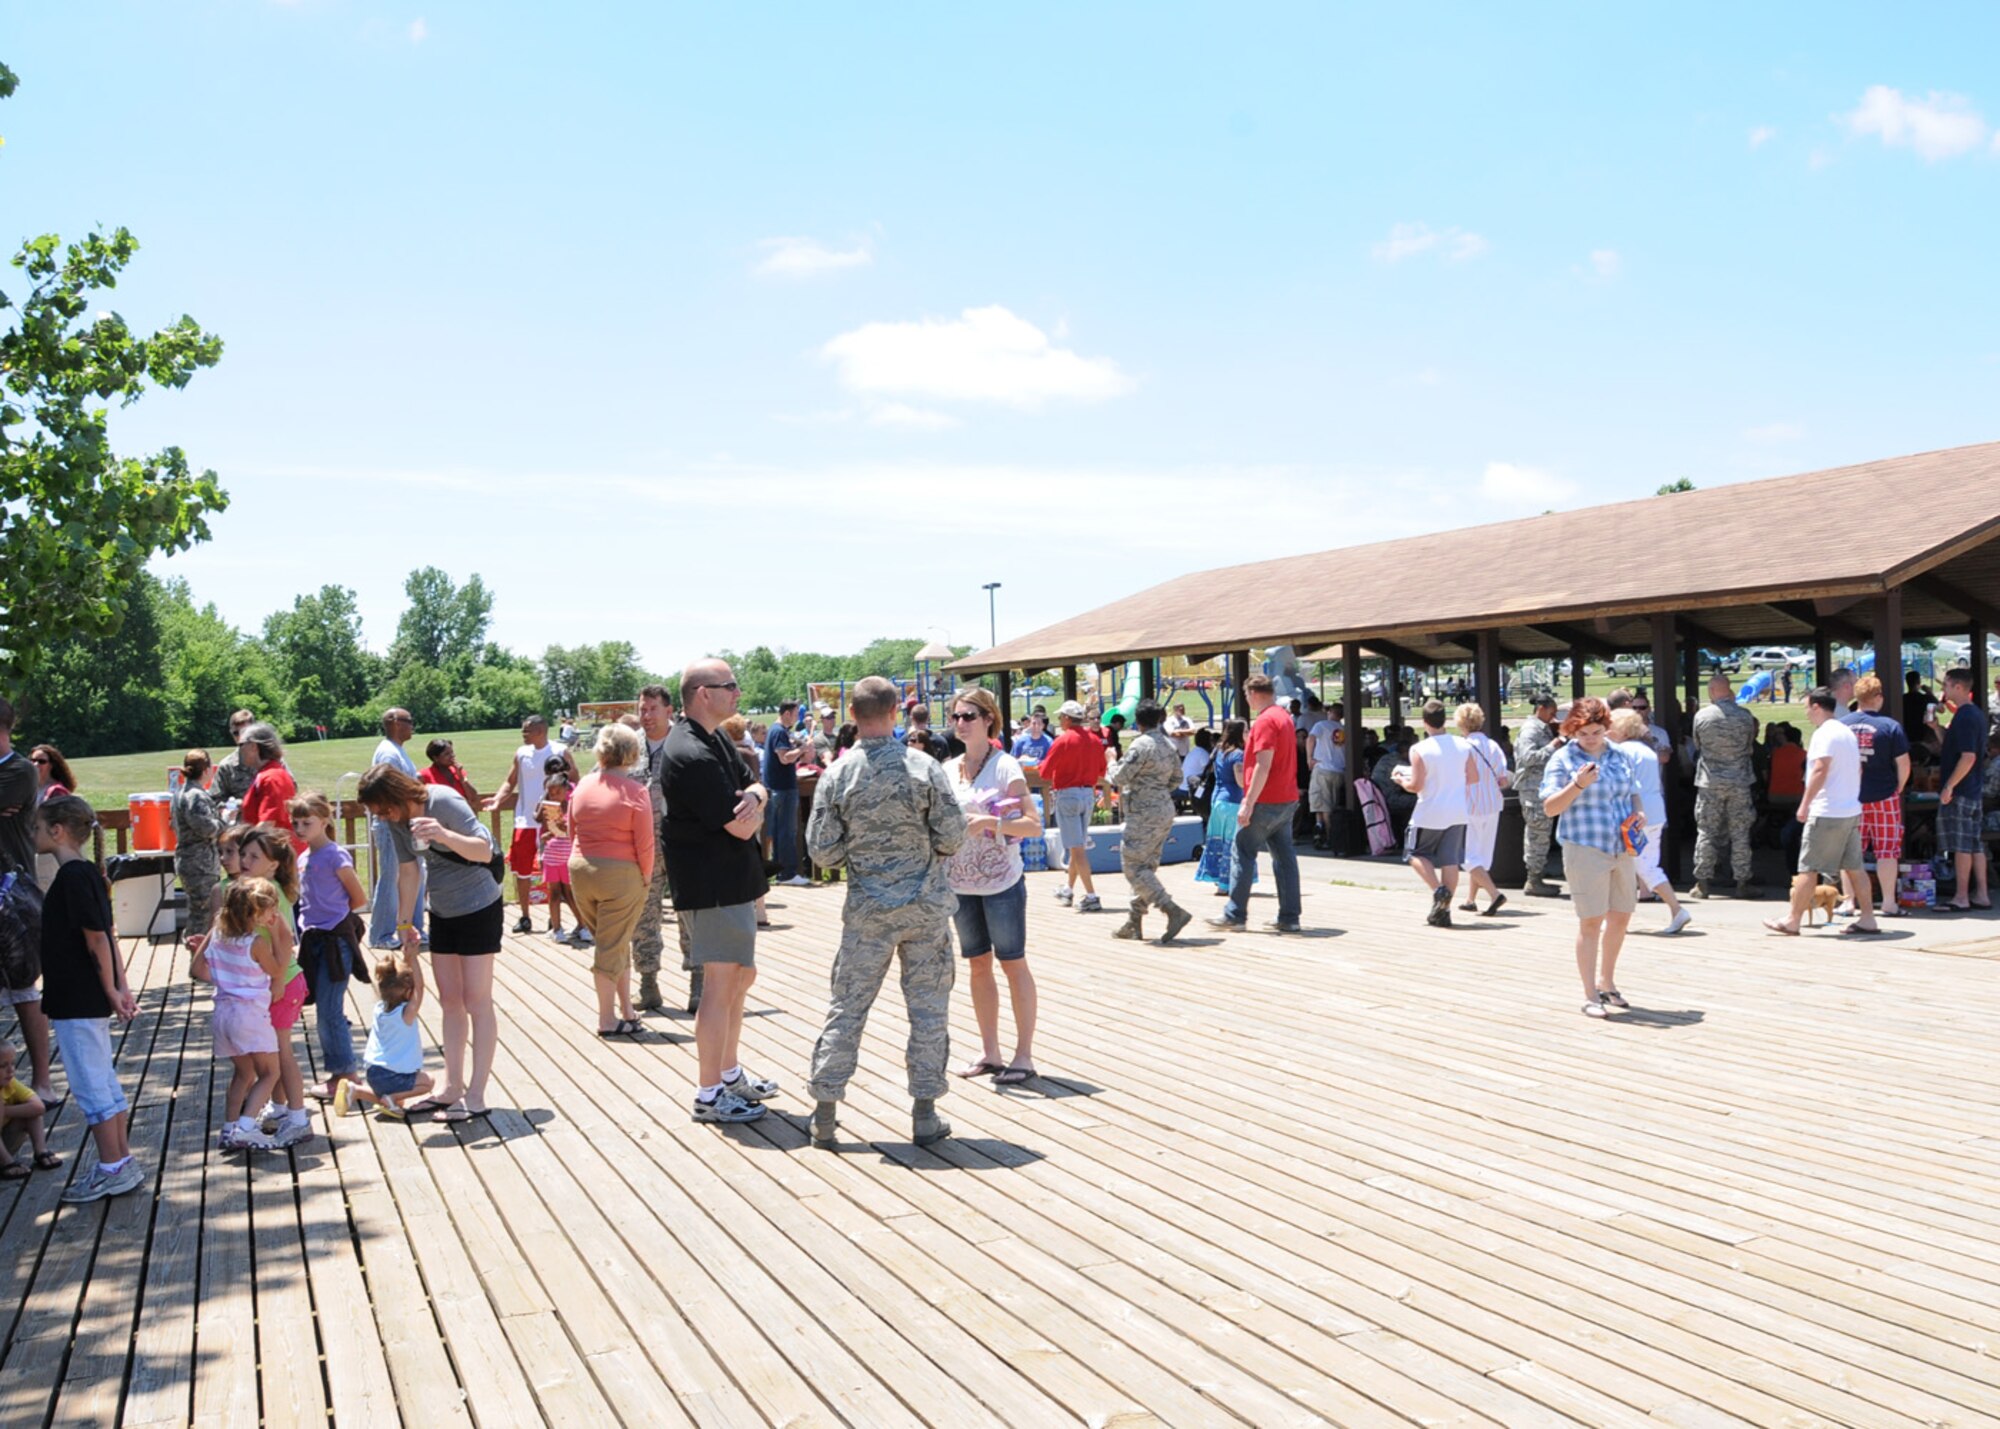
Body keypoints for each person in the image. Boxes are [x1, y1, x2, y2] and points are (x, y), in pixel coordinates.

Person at [806, 675, 968, 1149]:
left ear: (852, 716)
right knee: (929, 1011)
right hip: (925, 911)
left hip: (867, 914)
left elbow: (822, 852)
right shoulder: (924, 768)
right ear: (896, 713)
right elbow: (952, 835)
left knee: (847, 1009)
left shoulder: (838, 774)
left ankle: (825, 1114)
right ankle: (924, 1113)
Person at [661, 660, 777, 1125]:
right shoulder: (690, 751)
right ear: (702, 693)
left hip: (732, 881)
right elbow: (738, 822)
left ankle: (728, 1074)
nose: (737, 691)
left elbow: (755, 789)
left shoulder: (714, 740)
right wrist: (756, 803)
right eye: (728, 686)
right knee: (720, 984)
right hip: (712, 886)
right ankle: (709, 1093)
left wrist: (758, 797)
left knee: (740, 977)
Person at [359, 764, 502, 1122]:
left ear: (396, 794)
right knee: (451, 1000)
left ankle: (477, 1094)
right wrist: (405, 922)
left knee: (476, 1000)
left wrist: (442, 833)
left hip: (479, 905)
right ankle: (451, 1087)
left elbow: (483, 851)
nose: (382, 816)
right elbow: (409, 872)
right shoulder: (395, 822)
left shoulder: (443, 800)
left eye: (383, 808)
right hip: (442, 909)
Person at [35, 796, 144, 1201]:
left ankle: (111, 1166)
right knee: (103, 1080)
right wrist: (121, 985)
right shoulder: (89, 874)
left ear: (58, 831)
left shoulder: (72, 878)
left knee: (89, 1085)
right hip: (87, 997)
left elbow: (96, 937)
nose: (34, 834)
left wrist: (113, 990)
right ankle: (123, 1162)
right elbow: (106, 933)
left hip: (77, 998)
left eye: (37, 828)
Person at [940, 688, 1042, 1086]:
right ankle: (991, 1051)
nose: (961, 723)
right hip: (960, 884)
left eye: (969, 715)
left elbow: (1033, 824)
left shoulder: (1006, 768)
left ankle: (1024, 1055)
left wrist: (989, 824)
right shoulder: (948, 769)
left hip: (1002, 882)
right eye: (955, 717)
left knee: (1012, 963)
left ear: (988, 719)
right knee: (978, 965)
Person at [1539, 699, 1645, 1017]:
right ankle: (1589, 995)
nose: (1591, 738)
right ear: (1572, 729)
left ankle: (1607, 982)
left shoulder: (1619, 753)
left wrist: (1639, 811)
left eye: (1597, 731)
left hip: (1621, 846)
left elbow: (1633, 790)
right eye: (1583, 732)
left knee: (1622, 915)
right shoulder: (1563, 758)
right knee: (1590, 921)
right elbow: (1549, 807)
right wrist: (1577, 784)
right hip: (1584, 846)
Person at [1764, 687, 1881, 935]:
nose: (1806, 712)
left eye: (1807, 706)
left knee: (1808, 867)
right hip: (1850, 809)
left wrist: (1805, 803)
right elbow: (1858, 769)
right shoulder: (1846, 732)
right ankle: (1868, 918)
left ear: (1817, 707)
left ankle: (1793, 920)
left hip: (1827, 811)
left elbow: (1819, 769)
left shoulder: (1823, 734)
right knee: (1855, 866)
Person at [567, 723, 654, 1037]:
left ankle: (626, 1010)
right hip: (621, 874)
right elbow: (645, 843)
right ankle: (607, 1018)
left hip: (580, 869)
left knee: (615, 942)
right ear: (632, 753)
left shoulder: (582, 786)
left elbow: (570, 830)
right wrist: (645, 878)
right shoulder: (636, 791)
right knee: (610, 946)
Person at [1210, 674, 1304, 934]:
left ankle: (1235, 914)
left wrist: (1248, 802)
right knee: (1285, 858)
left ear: (1252, 693)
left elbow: (1263, 764)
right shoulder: (1284, 717)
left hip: (1266, 799)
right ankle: (1289, 917)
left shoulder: (1264, 721)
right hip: (1287, 798)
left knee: (1242, 851)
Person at [201, 877, 287, 1152]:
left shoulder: (217, 934)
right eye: (270, 910)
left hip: (223, 1015)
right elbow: (275, 970)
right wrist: (274, 934)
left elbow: (201, 966)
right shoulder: (254, 943)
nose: (274, 914)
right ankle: (246, 1128)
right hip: (249, 1016)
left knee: (242, 1073)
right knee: (270, 1073)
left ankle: (229, 1128)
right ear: (254, 913)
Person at [292, 793, 367, 1102]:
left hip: (336, 941)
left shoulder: (335, 856)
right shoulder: (304, 858)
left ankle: (346, 1073)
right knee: (322, 1007)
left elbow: (358, 898)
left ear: (324, 821)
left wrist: (336, 918)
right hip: (312, 941)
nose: (300, 828)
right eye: (295, 823)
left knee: (329, 1009)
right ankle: (338, 1072)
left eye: (306, 823)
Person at [1103, 700, 1195, 943]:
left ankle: (1171, 909)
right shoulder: (1168, 744)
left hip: (1143, 811)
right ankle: (1134, 921)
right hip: (1164, 808)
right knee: (1147, 867)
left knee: (1133, 866)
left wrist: (1111, 759)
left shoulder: (1141, 745)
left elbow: (1119, 776)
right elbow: (1177, 778)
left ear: (1138, 721)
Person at [485, 715, 579, 936]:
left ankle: (554, 919)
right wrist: (498, 799)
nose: (523, 733)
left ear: (541, 730)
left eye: (527, 730)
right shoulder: (521, 753)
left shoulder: (560, 751)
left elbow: (574, 779)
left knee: (556, 870)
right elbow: (510, 781)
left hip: (554, 819)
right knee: (522, 868)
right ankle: (525, 916)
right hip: (525, 819)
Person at [1394, 700, 1475, 927]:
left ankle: (1439, 891)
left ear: (1424, 722)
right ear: (1445, 720)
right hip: (1458, 809)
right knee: (1450, 860)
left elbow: (1416, 785)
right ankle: (1443, 912)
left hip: (1429, 810)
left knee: (1414, 853)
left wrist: (1402, 781)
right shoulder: (1463, 745)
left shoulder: (1419, 749)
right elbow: (1474, 777)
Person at [1610, 710, 1690, 934]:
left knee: (1639, 867)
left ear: (1622, 729)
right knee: (1643, 865)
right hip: (1654, 813)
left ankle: (1676, 908)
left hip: (1634, 817)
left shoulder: (1621, 752)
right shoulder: (1647, 751)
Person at [1841, 676, 1911, 917]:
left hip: (1851, 797)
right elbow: (1903, 764)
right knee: (1887, 851)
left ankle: (1849, 901)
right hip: (1884, 796)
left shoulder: (1842, 725)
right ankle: (1889, 902)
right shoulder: (1890, 726)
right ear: (1878, 697)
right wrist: (1899, 788)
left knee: (1850, 851)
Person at [334, 948, 433, 1119]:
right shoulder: (406, 1014)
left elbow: (400, 981)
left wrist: (406, 960)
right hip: (391, 1076)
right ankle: (391, 1097)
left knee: (396, 1102)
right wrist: (413, 958)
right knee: (428, 1081)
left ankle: (355, 1090)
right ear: (408, 992)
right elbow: (420, 989)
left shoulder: (380, 1009)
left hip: (373, 1073)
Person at [1690, 674, 1760, 899]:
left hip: (1710, 782)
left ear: (1711, 691)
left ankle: (1702, 883)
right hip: (1739, 781)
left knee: (1707, 831)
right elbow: (1750, 746)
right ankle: (1742, 882)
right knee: (1740, 832)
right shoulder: (1745, 716)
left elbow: (1697, 745)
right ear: (1730, 690)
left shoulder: (1702, 716)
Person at [1933, 667, 1991, 911]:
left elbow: (1967, 757)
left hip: (1962, 790)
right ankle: (1982, 894)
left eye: (1946, 686)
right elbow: (1953, 746)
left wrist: (1949, 785)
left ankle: (1961, 896)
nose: (1943, 691)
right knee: (1975, 843)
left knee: (1960, 845)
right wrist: (1936, 727)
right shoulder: (1972, 714)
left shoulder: (1966, 716)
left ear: (1958, 687)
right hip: (1974, 790)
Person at [1041, 700, 1107, 912]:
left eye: (1061, 717)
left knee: (1076, 849)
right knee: (1076, 845)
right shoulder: (1095, 740)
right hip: (1088, 794)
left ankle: (1091, 895)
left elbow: (1044, 772)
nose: (1059, 721)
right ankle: (1068, 889)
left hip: (1067, 795)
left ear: (1067, 719)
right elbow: (1101, 771)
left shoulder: (1063, 740)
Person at [368, 708, 424, 949]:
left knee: (412, 875)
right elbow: (388, 792)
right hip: (391, 824)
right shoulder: (388, 753)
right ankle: (381, 935)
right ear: (393, 723)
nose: (412, 725)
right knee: (391, 878)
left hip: (403, 825)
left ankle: (415, 929)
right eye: (408, 721)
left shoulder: (397, 751)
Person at [1454, 704, 1513, 918]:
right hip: (1492, 804)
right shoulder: (1493, 746)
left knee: (1469, 857)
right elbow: (1503, 779)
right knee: (1481, 856)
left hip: (1470, 805)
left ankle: (1494, 894)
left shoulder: (1461, 747)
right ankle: (1470, 900)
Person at [1196, 721, 1254, 895]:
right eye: (1245, 731)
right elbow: (1240, 781)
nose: (1248, 733)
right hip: (1233, 802)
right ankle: (1227, 884)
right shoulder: (1238, 755)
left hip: (1218, 801)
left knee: (1218, 842)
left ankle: (1218, 879)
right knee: (1234, 843)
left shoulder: (1219, 751)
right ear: (1239, 733)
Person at [1513, 695, 1563, 897]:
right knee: (1537, 836)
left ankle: (1536, 877)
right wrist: (1553, 746)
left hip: (1540, 791)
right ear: (1541, 708)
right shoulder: (1531, 730)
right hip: (1533, 792)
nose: (1553, 716)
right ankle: (1533, 880)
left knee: (1541, 836)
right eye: (1551, 712)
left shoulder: (1541, 728)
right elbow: (1528, 758)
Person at [172, 749, 223, 941]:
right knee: (203, 914)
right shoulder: (196, 796)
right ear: (207, 770)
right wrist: (225, 820)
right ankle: (198, 959)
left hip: (189, 860)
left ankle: (199, 958)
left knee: (197, 910)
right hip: (199, 864)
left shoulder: (180, 793)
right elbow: (207, 828)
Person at [763, 700, 811, 888]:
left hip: (776, 788)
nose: (796, 718)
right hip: (783, 788)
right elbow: (784, 758)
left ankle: (781, 873)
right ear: (786, 714)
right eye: (795, 714)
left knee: (779, 832)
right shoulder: (779, 731)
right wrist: (802, 749)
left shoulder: (775, 731)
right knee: (787, 832)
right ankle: (788, 872)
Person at [537, 762, 584, 945]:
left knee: (571, 893)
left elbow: (578, 830)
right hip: (552, 854)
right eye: (551, 793)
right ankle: (557, 928)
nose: (554, 796)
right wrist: (547, 835)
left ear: (566, 790)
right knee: (554, 893)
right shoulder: (550, 808)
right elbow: (544, 825)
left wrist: (568, 829)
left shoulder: (573, 807)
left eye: (557, 792)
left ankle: (583, 925)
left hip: (568, 855)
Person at [238, 723, 301, 851]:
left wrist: (245, 850)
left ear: (254, 747)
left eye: (241, 744)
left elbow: (267, 825)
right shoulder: (266, 774)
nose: (239, 750)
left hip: (279, 855)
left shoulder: (271, 777)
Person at [0, 1042, 57, 1181]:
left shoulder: (10, 1083)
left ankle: (41, 1151)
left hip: (5, 1138)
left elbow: (39, 1107)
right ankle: (6, 1162)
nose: (10, 1070)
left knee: (31, 1112)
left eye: (13, 1063)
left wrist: (4, 1111)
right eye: (2, 1066)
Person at [1307, 703, 1346, 850]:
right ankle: (1322, 829)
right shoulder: (1344, 729)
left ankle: (1330, 837)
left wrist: (1309, 758)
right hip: (1339, 770)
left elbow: (1310, 739)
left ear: (1330, 712)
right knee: (1331, 805)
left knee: (1323, 805)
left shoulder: (1321, 725)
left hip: (1323, 768)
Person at [211, 709, 258, 805]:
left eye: (245, 731)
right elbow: (215, 800)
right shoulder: (227, 766)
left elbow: (290, 788)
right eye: (236, 733)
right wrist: (236, 805)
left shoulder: (271, 759)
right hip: (240, 818)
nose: (241, 736)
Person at [418, 738, 481, 806]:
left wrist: (461, 778)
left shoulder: (458, 772)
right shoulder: (424, 775)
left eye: (452, 752)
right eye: (447, 754)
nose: (452, 756)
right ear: (435, 758)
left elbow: (473, 798)